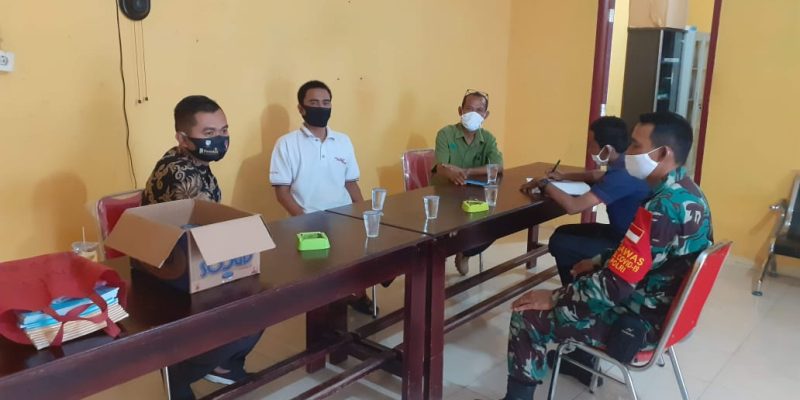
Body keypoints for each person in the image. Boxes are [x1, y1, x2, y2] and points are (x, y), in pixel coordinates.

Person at [500, 112, 713, 400]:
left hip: (640, 320)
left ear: (663, 153)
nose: (629, 152)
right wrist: (599, 260)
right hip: (666, 311)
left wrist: (555, 297)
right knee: (583, 267)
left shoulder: (660, 209)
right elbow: (646, 256)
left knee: (527, 315)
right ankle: (580, 361)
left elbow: (614, 287)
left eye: (636, 145)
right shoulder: (690, 193)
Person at [142, 95, 263, 400]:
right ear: (183, 138)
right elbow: (205, 236)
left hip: (193, 263)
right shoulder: (180, 173)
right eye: (209, 133)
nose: (219, 139)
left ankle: (218, 364)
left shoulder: (196, 161)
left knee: (261, 299)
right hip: (170, 274)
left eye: (223, 130)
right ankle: (181, 373)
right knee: (253, 309)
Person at [269, 80, 375, 315]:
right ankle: (326, 312)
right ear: (301, 108)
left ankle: (358, 295)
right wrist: (304, 220)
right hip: (308, 220)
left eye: (326, 103)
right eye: (314, 103)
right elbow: (282, 192)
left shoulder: (343, 141)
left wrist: (364, 213)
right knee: (322, 280)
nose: (321, 107)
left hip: (345, 217)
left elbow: (350, 183)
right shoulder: (286, 144)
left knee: (367, 258)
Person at [520, 116, 650, 286]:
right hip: (623, 234)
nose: (589, 149)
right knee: (564, 232)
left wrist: (543, 183)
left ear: (607, 149)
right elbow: (598, 175)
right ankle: (578, 283)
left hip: (626, 245)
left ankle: (573, 291)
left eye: (591, 144)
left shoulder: (622, 175)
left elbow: (573, 206)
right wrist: (564, 176)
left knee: (561, 242)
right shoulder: (625, 163)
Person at [432, 89, 503, 275]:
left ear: (486, 115)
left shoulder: (488, 138)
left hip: (475, 197)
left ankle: (466, 252)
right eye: (469, 109)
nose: (473, 114)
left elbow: (498, 167)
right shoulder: (446, 134)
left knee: (498, 223)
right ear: (460, 111)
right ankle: (439, 261)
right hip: (445, 197)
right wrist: (450, 172)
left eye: (479, 110)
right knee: (445, 231)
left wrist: (467, 171)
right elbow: (441, 167)